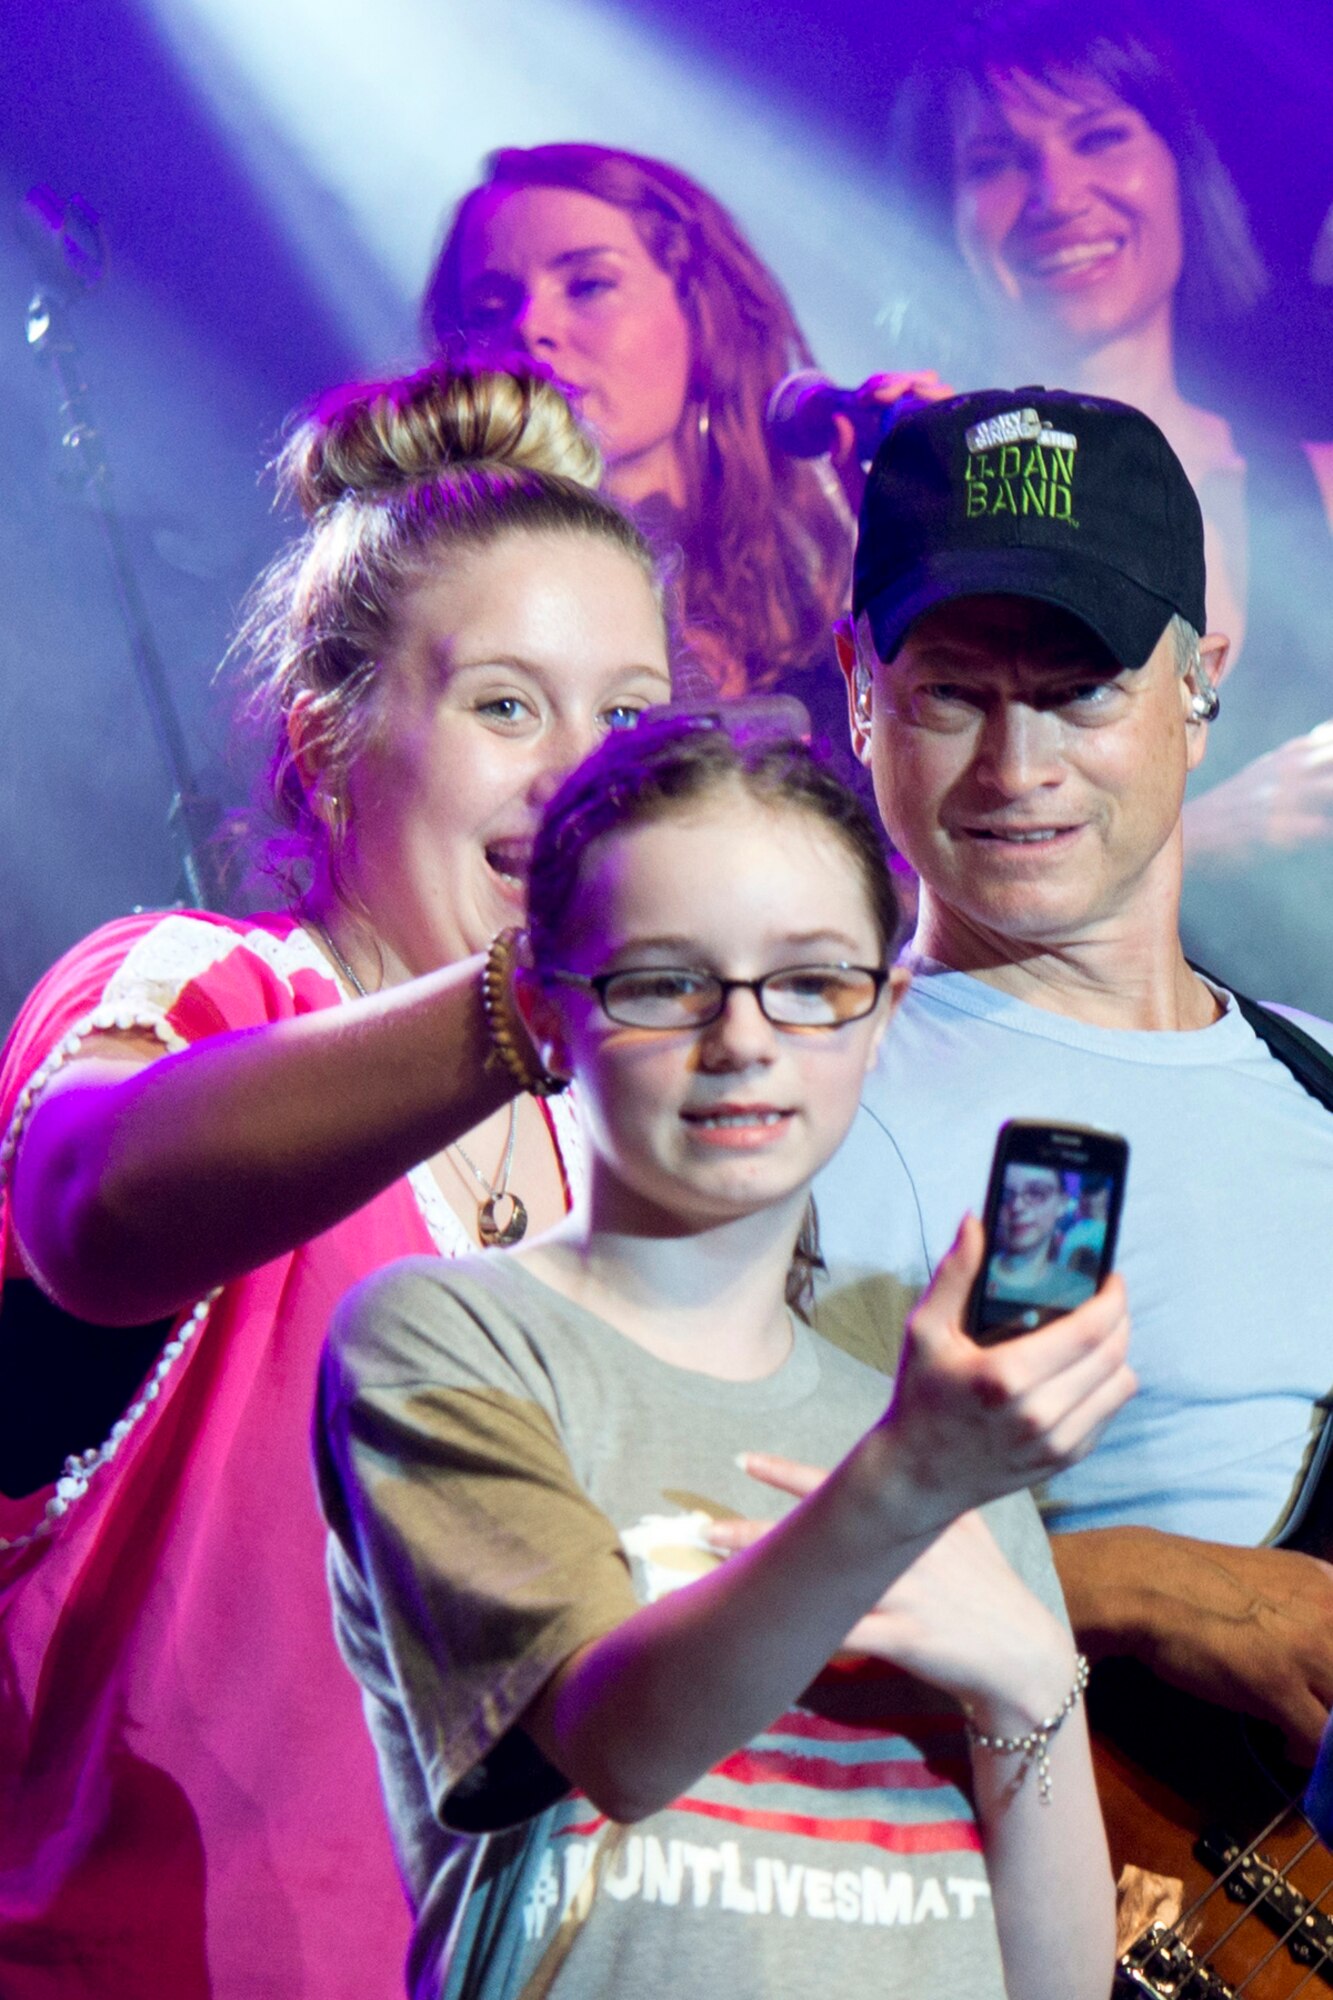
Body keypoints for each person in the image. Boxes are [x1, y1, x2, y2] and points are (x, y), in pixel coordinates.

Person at [0, 360, 673, 1999]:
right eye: (506, 705)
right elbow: (83, 1207)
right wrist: (525, 1006)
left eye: (629, 720)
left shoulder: (648, 1158)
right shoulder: (208, 988)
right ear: (326, 738)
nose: (580, 779)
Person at [316, 710, 1134, 2000]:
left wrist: (1036, 1680)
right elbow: (619, 1744)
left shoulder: (923, 1415)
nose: (743, 1037)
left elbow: (1057, 1983)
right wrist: (909, 1480)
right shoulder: (445, 1337)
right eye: (663, 981)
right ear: (547, 1003)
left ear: (883, 1009)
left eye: (811, 982)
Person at [810, 383, 1333, 1766]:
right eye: (952, 697)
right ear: (859, 691)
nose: (1012, 765)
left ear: (1199, 686)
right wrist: (1127, 1589)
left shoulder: (1318, 1076)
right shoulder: (781, 1096)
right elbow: (650, 1592)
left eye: (1077, 691)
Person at [888, 0, 1333, 1013]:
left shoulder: (1315, 493)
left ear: (1181, 170)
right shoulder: (900, 513)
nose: (1055, 193)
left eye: (1098, 137)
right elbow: (857, 880)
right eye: (996, 162)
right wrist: (1210, 833)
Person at [421, 142, 945, 771]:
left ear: (704, 320)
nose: (532, 326)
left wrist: (940, 550)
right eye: (490, 308)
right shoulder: (454, 603)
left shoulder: (825, 585)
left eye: (588, 285)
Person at [985, 1165, 1086, 1312]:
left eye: (1036, 1193)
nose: (1017, 1206)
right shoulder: (973, 1278)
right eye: (1006, 1194)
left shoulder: (1082, 1291)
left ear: (1062, 1204)